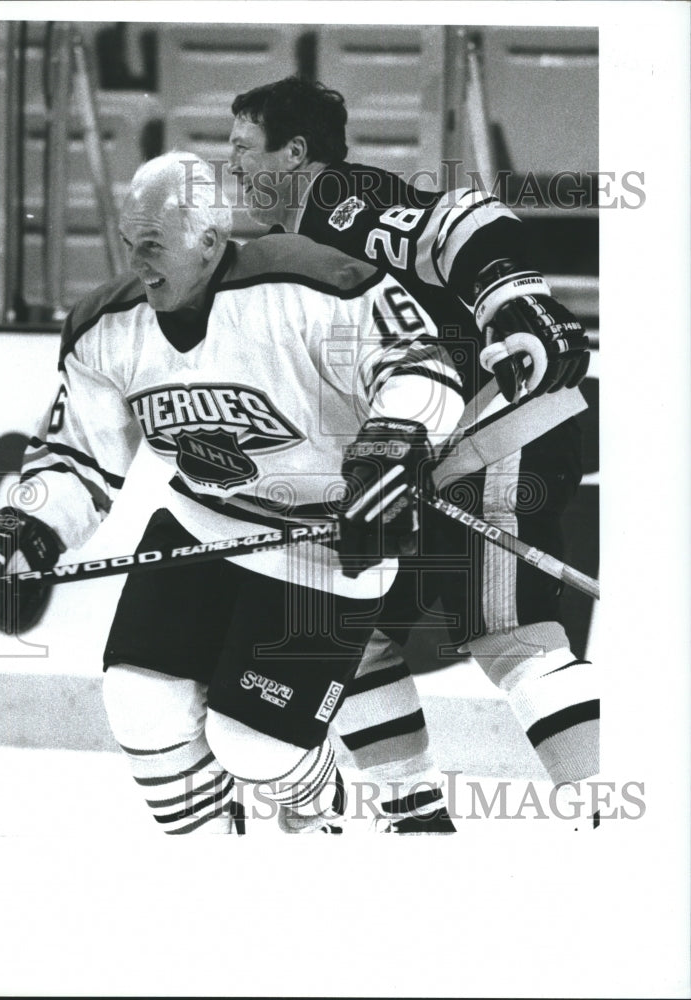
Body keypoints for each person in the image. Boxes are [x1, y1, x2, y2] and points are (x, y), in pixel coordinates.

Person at [0, 152, 466, 834]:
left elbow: (418, 362)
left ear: (208, 239)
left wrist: (390, 444)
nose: (136, 262)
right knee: (140, 705)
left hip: (323, 541)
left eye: (153, 245)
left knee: (251, 747)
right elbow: (77, 461)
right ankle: (210, 880)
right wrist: (15, 537)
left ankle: (323, 806)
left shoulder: (308, 284)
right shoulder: (106, 330)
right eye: (127, 242)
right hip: (198, 527)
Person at [228, 77, 598, 828]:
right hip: (429, 452)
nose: (228, 166)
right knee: (343, 632)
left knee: (511, 637)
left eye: (240, 147)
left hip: (500, 430)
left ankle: (618, 820)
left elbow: (466, 220)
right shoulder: (281, 256)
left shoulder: (337, 198)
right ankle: (415, 820)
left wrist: (514, 296)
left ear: (293, 153)